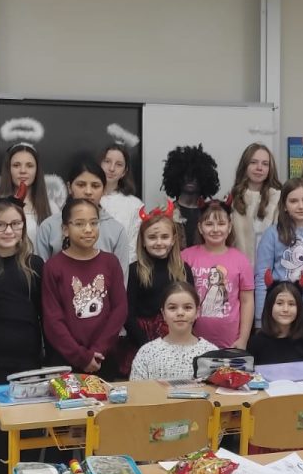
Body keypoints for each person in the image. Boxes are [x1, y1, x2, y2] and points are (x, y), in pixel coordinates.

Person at [0, 184, 43, 474]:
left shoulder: (34, 265)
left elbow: (44, 314)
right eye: (0, 225)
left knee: (30, 426)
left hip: (29, 362)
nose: (8, 230)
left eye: (15, 224)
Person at [42, 197, 128, 377]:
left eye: (94, 223)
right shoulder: (53, 267)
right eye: (79, 224)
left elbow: (120, 309)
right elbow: (53, 320)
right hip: (65, 362)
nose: (88, 229)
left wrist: (97, 351)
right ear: (65, 229)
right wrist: (81, 356)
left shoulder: (110, 262)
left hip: (103, 359)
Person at [254, 179, 303, 344]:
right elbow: (262, 277)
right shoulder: (272, 234)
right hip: (281, 305)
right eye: (293, 201)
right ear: (285, 206)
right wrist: (259, 318)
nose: (301, 206)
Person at [35, 155, 128, 275]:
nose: (88, 192)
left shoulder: (116, 231)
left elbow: (120, 279)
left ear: (104, 190)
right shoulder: (48, 227)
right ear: (69, 188)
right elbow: (42, 277)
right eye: (81, 185)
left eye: (95, 186)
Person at [181, 198, 253, 349]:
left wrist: (243, 339)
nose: (215, 229)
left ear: (229, 227)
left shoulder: (240, 259)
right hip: (190, 341)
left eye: (221, 224)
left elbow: (247, 301)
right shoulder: (186, 257)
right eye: (209, 224)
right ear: (200, 228)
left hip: (230, 343)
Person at [126, 206, 194, 357]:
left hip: (178, 338)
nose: (158, 242)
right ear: (143, 241)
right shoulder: (134, 271)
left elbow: (192, 307)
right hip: (143, 340)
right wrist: (146, 345)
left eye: (164, 237)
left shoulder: (183, 270)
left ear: (173, 240)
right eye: (152, 237)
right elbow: (128, 314)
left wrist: (181, 335)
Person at [129, 282, 218, 381]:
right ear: (163, 313)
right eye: (172, 308)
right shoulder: (147, 353)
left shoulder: (212, 354)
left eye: (187, 307)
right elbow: (136, 389)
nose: (180, 313)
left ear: (197, 312)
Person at [230, 143, 282, 263]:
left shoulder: (278, 199)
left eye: (265, 164)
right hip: (239, 268)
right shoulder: (232, 199)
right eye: (253, 162)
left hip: (269, 269)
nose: (259, 168)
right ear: (245, 166)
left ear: (270, 169)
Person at [161, 144, 220, 248]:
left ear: (204, 178)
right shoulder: (165, 213)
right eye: (185, 174)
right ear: (177, 176)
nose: (190, 179)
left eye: (196, 175)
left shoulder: (212, 213)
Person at [247, 280, 303, 364]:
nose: (285, 309)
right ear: (270, 306)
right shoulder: (256, 342)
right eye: (279, 303)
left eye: (291, 304)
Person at [0, 143, 56, 236]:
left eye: (29, 166)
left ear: (37, 170)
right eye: (16, 165)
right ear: (8, 169)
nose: (23, 171)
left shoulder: (51, 207)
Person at [100, 143, 143, 265]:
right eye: (107, 161)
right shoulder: (86, 198)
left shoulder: (135, 205)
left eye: (119, 164)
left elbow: (133, 248)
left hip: (122, 268)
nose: (111, 168)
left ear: (124, 172)